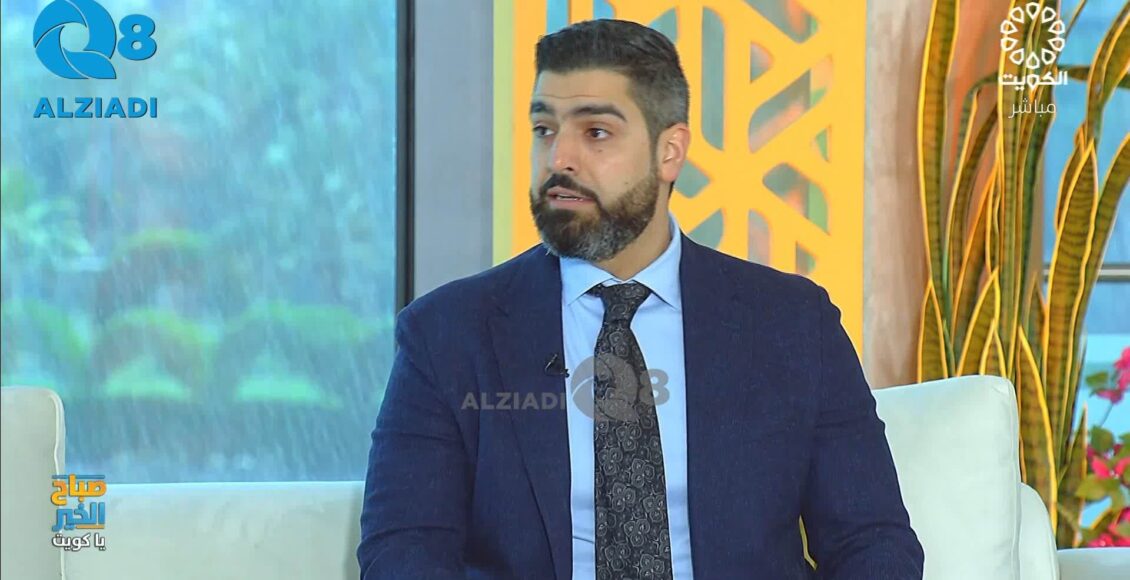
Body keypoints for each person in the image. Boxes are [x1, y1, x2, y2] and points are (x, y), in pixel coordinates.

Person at [358, 18, 923, 580]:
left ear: (669, 151)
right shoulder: (446, 334)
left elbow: (873, 542)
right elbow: (401, 552)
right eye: (544, 129)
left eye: (596, 133)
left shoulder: (793, 324)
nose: (559, 159)